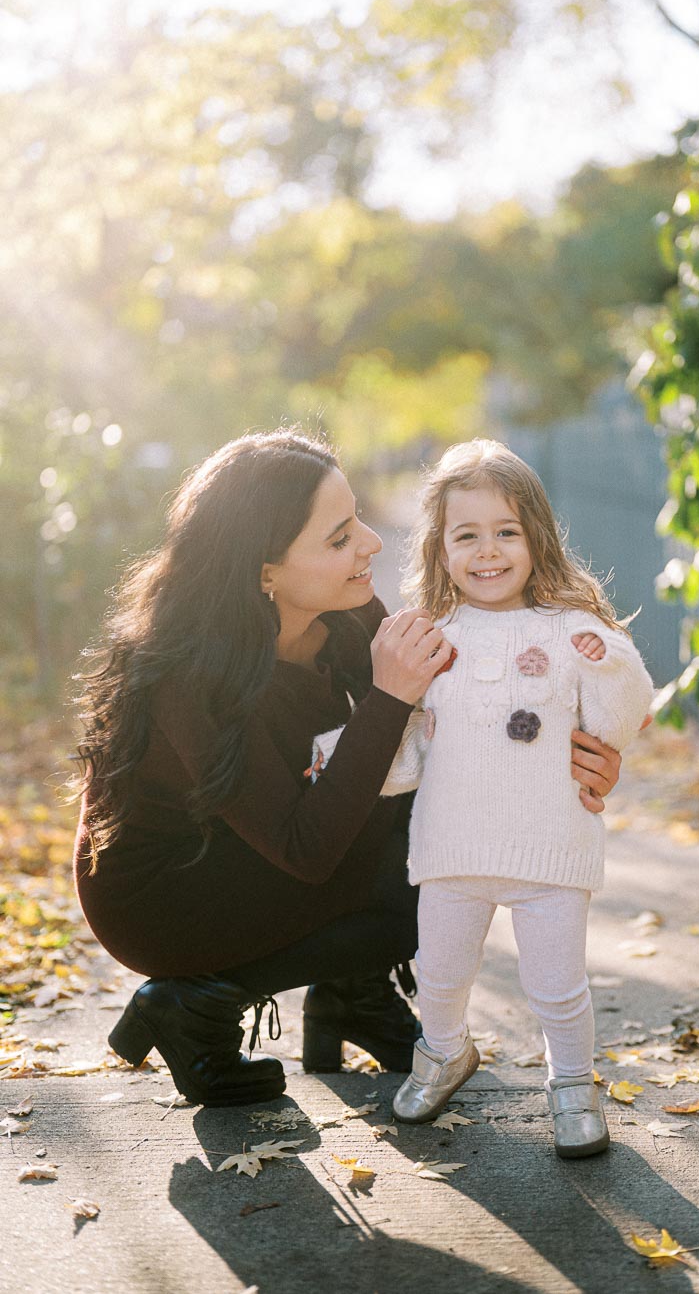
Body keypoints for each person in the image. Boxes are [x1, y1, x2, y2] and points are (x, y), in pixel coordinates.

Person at [73, 429, 622, 1108]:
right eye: (338, 538)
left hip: (265, 843)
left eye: (356, 516)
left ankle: (351, 994)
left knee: (449, 840)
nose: (369, 543)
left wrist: (583, 754)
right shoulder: (188, 678)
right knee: (429, 886)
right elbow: (306, 849)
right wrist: (389, 697)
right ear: (264, 571)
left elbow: (473, 714)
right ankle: (198, 1001)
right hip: (166, 897)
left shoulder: (350, 611)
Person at [314, 439, 653, 1157]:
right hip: (452, 850)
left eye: (507, 532)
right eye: (466, 535)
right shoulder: (429, 639)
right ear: (439, 547)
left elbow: (618, 724)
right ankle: (442, 1053)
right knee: (439, 975)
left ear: (537, 538)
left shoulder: (574, 631)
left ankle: (572, 1084)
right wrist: (330, 754)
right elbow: (402, 750)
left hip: (551, 846)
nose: (488, 551)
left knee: (558, 986)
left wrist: (612, 662)